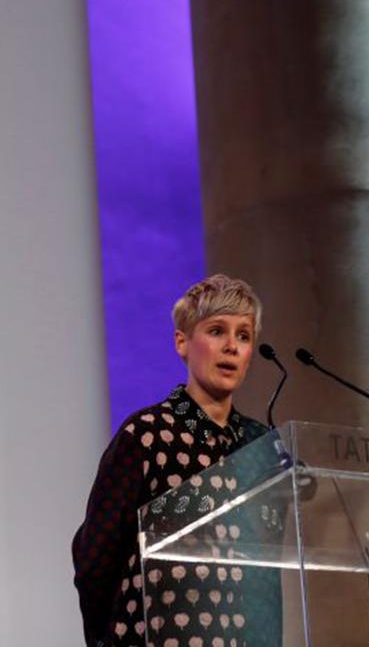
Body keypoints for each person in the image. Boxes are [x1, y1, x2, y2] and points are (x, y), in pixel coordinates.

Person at [72, 274, 278, 647]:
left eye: (244, 335)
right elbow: (95, 557)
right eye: (217, 331)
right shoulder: (147, 435)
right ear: (182, 343)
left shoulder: (260, 446)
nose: (232, 346)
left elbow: (266, 575)